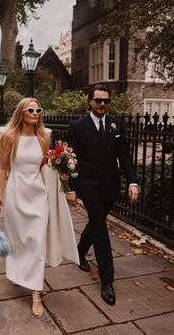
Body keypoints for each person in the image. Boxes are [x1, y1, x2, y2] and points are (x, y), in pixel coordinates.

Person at [0, 97, 79, 318]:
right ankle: (18, 273)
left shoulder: (44, 136)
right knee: (20, 240)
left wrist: (61, 168)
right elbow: (2, 169)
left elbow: (43, 166)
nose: (35, 112)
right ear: (21, 112)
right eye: (30, 109)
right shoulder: (9, 136)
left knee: (37, 242)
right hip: (16, 193)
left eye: (38, 109)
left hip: (38, 194)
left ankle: (36, 294)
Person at [67, 84, 138, 306]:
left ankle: (79, 251)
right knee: (100, 228)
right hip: (87, 184)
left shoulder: (117, 125)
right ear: (89, 102)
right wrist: (71, 188)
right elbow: (69, 159)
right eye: (98, 101)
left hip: (110, 184)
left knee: (97, 221)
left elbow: (125, 155)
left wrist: (133, 181)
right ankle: (107, 281)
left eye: (106, 101)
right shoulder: (78, 126)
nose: (102, 105)